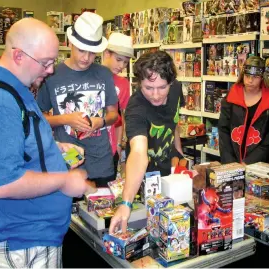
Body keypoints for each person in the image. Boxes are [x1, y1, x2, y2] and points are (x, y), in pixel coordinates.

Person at [0, 18, 94, 268]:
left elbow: (18, 147)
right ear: (18, 55)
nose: (51, 70)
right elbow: (2, 184)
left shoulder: (17, 90)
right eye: (46, 62)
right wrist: (65, 180)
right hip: (18, 245)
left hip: (30, 240)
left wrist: (54, 149)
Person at [37, 12, 119, 188]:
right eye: (82, 50)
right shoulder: (53, 75)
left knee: (103, 212)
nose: (86, 58)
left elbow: (114, 114)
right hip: (68, 162)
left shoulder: (103, 74)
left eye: (92, 53)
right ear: (71, 44)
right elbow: (40, 118)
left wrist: (101, 121)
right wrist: (66, 119)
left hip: (101, 162)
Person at [109, 51, 185, 233]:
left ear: (171, 82)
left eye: (162, 87)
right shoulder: (136, 108)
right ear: (138, 83)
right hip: (141, 183)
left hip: (169, 176)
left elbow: (174, 123)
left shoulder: (176, 89)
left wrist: (179, 154)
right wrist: (126, 202)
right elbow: (137, 152)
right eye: (148, 88)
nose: (156, 95)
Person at [218, 56, 269, 165]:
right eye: (247, 76)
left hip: (258, 166)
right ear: (242, 75)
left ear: (262, 77)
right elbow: (223, 131)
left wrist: (249, 162)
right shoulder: (231, 97)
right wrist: (230, 162)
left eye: (255, 77)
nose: (250, 80)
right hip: (231, 163)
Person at [102, 32, 134, 177]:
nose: (122, 66)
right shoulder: (91, 77)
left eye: (126, 62)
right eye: (118, 59)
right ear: (106, 53)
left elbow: (121, 119)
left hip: (111, 148)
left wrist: (119, 146)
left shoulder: (123, 84)